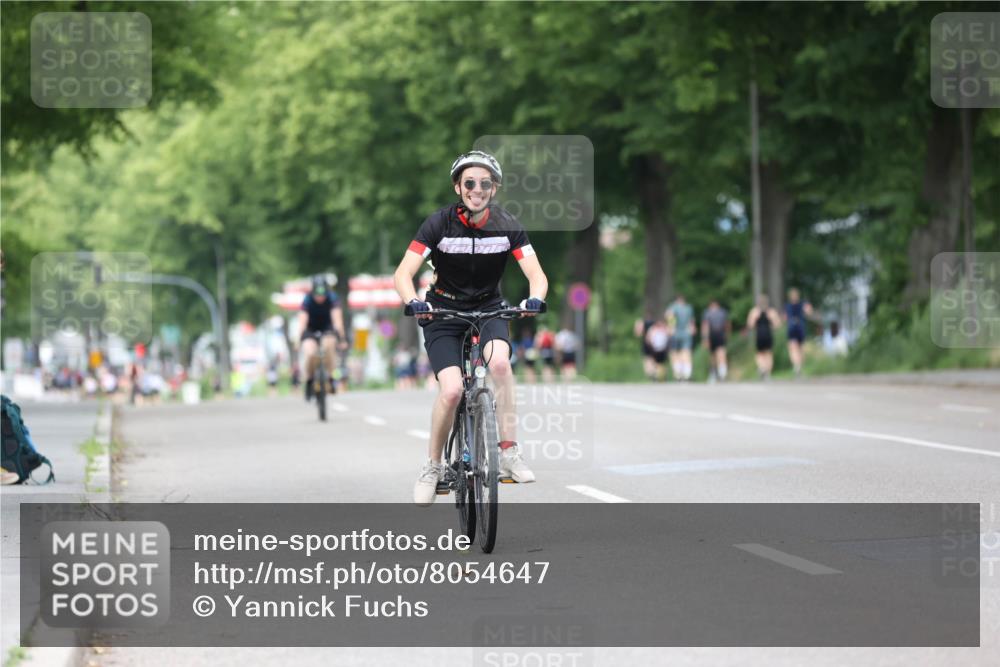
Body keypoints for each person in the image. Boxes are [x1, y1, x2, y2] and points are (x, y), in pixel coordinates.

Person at [393, 150, 548, 506]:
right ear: (458, 187)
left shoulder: (508, 225)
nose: (477, 189)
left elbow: (536, 274)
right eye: (470, 183)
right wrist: (413, 300)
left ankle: (508, 451)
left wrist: (534, 297)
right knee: (450, 392)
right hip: (442, 313)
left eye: (485, 183)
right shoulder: (438, 224)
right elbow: (404, 273)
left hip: (489, 309)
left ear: (494, 189)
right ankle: (432, 466)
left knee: (500, 365)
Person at [296, 275, 347, 398]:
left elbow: (337, 320)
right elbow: (302, 321)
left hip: (327, 327)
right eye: (317, 294)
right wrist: (299, 340)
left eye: (323, 293)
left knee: (329, 346)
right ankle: (309, 379)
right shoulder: (307, 300)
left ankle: (330, 378)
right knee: (309, 352)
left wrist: (342, 338)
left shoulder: (332, 298)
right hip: (311, 328)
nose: (320, 297)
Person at [746, 293, 781, 380]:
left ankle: (762, 368)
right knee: (768, 353)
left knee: (760, 354)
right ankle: (767, 372)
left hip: (760, 335)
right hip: (768, 334)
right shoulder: (771, 311)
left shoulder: (754, 311)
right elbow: (777, 325)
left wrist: (755, 320)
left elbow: (750, 325)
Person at [784, 287, 814, 377]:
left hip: (793, 328)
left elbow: (784, 318)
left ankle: (797, 366)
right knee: (799, 349)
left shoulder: (787, 306)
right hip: (800, 327)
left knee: (794, 349)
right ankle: (798, 366)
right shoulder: (802, 304)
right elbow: (809, 312)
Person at [666, 295, 695, 381]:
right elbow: (691, 321)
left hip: (675, 333)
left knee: (675, 353)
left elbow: (670, 316)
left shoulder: (673, 307)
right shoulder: (689, 308)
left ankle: (678, 374)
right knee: (686, 353)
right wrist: (691, 329)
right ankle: (687, 374)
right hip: (686, 333)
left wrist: (671, 327)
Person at [701, 300, 730, 382]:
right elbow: (727, 324)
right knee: (721, 354)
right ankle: (722, 373)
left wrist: (705, 338)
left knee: (713, 356)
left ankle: (714, 373)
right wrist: (727, 335)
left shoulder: (707, 313)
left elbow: (705, 326)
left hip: (712, 334)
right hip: (721, 334)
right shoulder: (723, 312)